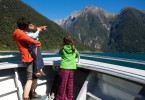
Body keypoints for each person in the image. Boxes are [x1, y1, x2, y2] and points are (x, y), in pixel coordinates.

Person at [12, 17, 42, 100]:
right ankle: (26, 97)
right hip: (28, 57)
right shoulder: (21, 34)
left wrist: (39, 28)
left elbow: (26, 36)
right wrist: (39, 43)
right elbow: (31, 40)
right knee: (30, 79)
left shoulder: (17, 32)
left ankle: (32, 93)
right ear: (25, 26)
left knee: (33, 76)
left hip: (28, 56)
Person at [56, 34, 79, 100]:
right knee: (70, 85)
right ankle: (68, 98)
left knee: (62, 85)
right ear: (71, 41)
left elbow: (60, 53)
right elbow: (77, 55)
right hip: (71, 69)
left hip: (64, 69)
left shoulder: (63, 49)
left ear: (64, 41)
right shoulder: (74, 49)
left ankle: (60, 98)